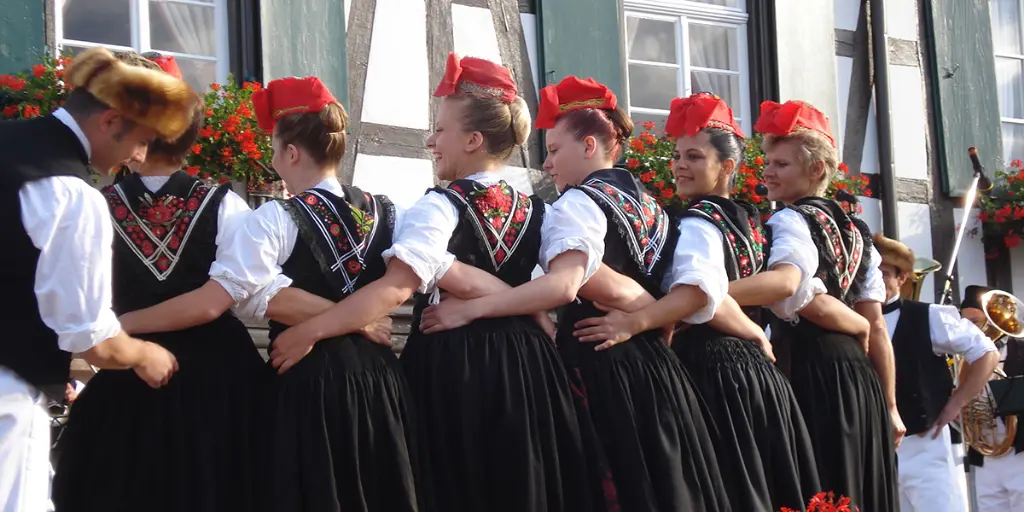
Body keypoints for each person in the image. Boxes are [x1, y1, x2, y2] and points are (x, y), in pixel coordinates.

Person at [268, 55, 594, 512]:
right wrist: (529, 308)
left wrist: (310, 330)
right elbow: (562, 285)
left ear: (474, 140)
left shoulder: (437, 207)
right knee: (523, 477)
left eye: (440, 130)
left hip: (455, 364)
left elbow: (394, 289)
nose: (430, 141)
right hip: (529, 367)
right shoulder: (542, 210)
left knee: (456, 482)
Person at [417, 76, 731, 511]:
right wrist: (653, 315)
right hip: (659, 369)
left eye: (554, 151)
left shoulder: (578, 204)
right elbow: (695, 291)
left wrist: (474, 310)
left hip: (599, 359)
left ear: (589, 146)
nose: (547, 165)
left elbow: (569, 284)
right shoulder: (656, 208)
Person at [570, 92, 821, 511]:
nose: (680, 166)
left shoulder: (698, 221)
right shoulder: (755, 223)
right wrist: (753, 329)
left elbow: (699, 291)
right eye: (677, 156)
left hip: (715, 371)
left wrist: (637, 321)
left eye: (694, 157)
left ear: (726, 167)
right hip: (758, 374)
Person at [52, 53, 270, 512]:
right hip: (219, 381)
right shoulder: (227, 207)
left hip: (125, 374)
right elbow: (254, 293)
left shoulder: (93, 205)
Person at [210, 76, 420, 512]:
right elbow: (407, 280)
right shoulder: (390, 212)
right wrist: (359, 319)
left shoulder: (274, 216)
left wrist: (323, 323)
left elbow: (247, 292)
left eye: (272, 149)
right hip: (381, 379)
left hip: (309, 382)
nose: (273, 161)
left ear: (291, 152)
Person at [0, 46, 194, 512]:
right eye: (143, 139)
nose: (138, 157)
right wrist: (146, 354)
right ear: (110, 121)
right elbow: (90, 336)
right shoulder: (72, 196)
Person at [732, 99, 899, 510]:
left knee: (819, 483)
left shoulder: (789, 220)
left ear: (816, 170)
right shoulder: (858, 231)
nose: (768, 171)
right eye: (768, 161)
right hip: (862, 378)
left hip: (813, 368)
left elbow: (799, 295)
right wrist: (890, 405)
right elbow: (875, 325)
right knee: (857, 486)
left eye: (781, 164)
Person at [870, 235, 998, 511]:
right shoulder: (847, 318)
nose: (874, 279)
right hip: (871, 449)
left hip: (926, 444)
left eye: (883, 273)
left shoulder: (930, 316)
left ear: (902, 278)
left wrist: (957, 403)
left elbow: (987, 352)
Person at [957, 285, 1024, 511]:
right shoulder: (960, 359)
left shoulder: (1021, 350)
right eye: (965, 322)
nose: (971, 329)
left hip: (1020, 453)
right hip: (984, 457)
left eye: (976, 322)